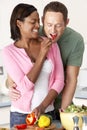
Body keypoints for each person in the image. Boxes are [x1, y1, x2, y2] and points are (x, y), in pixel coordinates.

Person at [6, 1, 84, 120]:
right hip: (22, 112)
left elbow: (69, 80)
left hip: (54, 106)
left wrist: (62, 115)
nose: (53, 30)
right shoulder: (31, 33)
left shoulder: (73, 41)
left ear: (66, 23)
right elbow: (16, 78)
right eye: (48, 24)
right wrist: (10, 86)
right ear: (43, 20)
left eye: (58, 25)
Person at [2, 3, 64, 128]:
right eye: (33, 22)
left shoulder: (51, 45)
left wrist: (43, 106)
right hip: (21, 116)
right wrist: (42, 55)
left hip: (47, 113)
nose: (38, 26)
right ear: (19, 24)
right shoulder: (8, 52)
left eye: (38, 21)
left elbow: (59, 81)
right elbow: (25, 86)